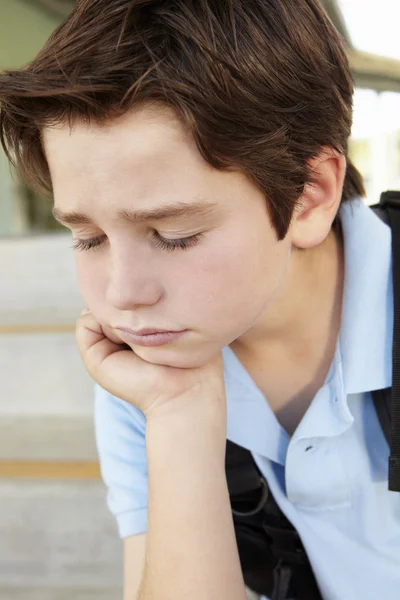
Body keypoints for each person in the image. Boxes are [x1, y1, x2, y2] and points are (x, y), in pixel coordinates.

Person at [0, 0, 398, 598]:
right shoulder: (149, 370)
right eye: (88, 237)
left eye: (174, 235)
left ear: (310, 196)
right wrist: (179, 416)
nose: (123, 293)